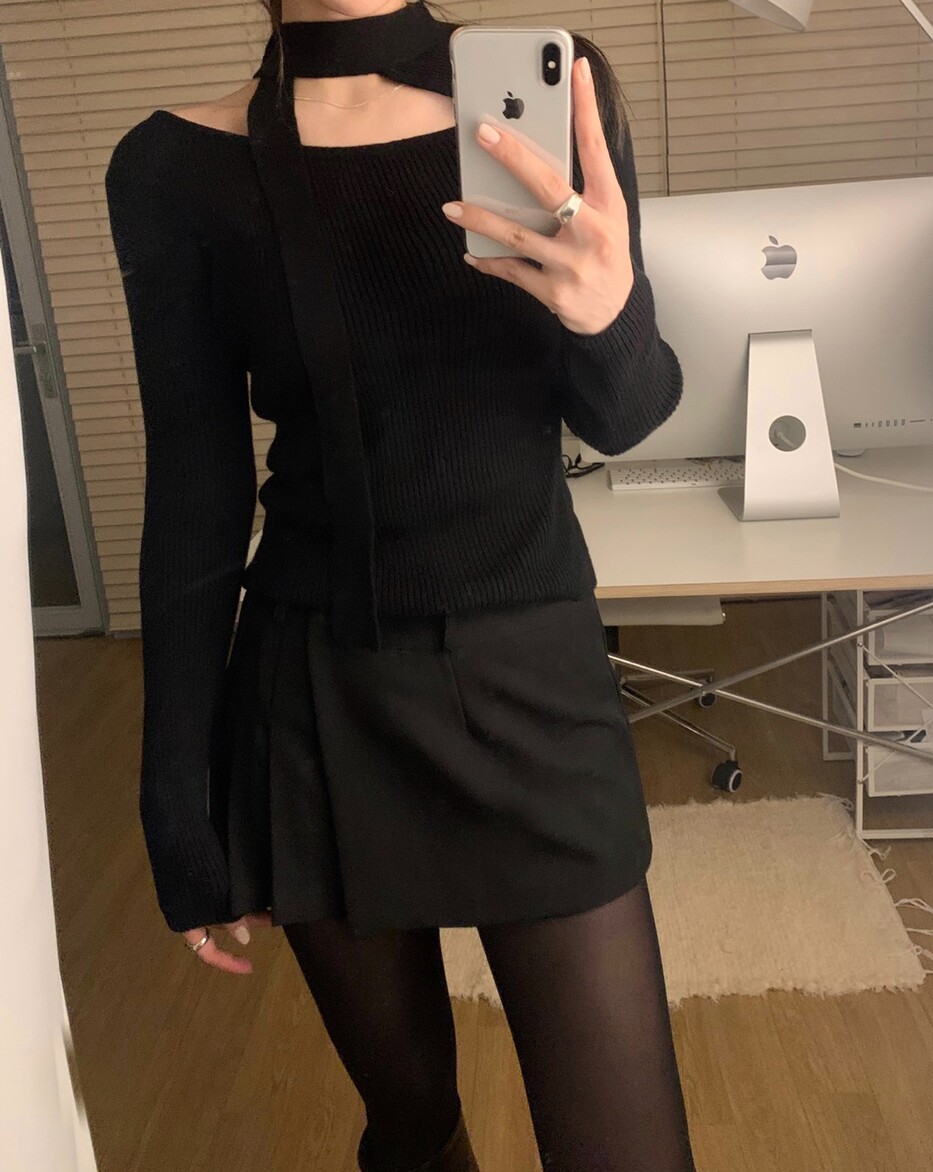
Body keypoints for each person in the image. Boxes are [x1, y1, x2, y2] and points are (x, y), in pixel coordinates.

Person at [103, 1, 695, 1169]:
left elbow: (625, 414)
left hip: (533, 675)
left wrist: (610, 315)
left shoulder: (544, 94)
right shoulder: (173, 167)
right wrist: (175, 794)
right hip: (314, 697)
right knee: (414, 1129)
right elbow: (194, 495)